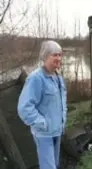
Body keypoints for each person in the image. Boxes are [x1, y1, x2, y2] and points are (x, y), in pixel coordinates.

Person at [17, 40, 67, 169]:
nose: (58, 58)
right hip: (44, 134)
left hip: (57, 130)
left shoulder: (58, 77)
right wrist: (41, 123)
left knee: (54, 165)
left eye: (60, 55)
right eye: (54, 55)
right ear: (45, 57)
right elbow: (24, 107)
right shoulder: (36, 78)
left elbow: (61, 102)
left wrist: (62, 121)